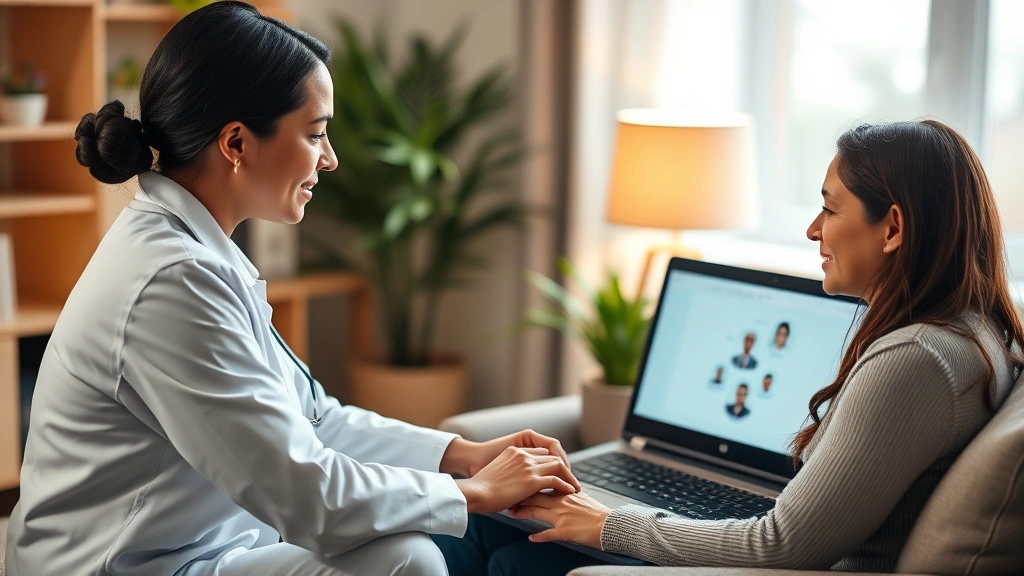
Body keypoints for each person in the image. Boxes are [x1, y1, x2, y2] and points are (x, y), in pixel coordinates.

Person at [3, 4, 580, 576]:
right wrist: (474, 492)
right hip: (117, 567)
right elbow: (308, 498)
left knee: (409, 551)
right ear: (236, 143)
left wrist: (464, 455)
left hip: (189, 549)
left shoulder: (198, 252)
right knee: (411, 561)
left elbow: (314, 418)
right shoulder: (171, 282)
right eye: (315, 134)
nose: (329, 159)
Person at [433, 120, 1023, 575]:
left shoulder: (916, 359)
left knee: (508, 549)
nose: (813, 229)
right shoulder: (968, 330)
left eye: (829, 206)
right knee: (496, 526)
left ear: (892, 228)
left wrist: (609, 524)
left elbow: (782, 543)